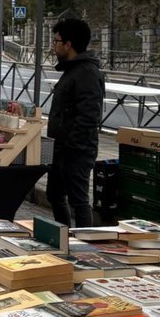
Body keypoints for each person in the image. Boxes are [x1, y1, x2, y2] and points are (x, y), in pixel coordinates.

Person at [46, 16, 105, 229]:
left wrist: (71, 145)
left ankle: (83, 245)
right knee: (55, 195)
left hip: (76, 150)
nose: (54, 46)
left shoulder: (87, 72)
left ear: (68, 44)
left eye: (56, 42)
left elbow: (89, 116)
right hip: (61, 148)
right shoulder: (72, 69)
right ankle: (64, 236)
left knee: (78, 200)